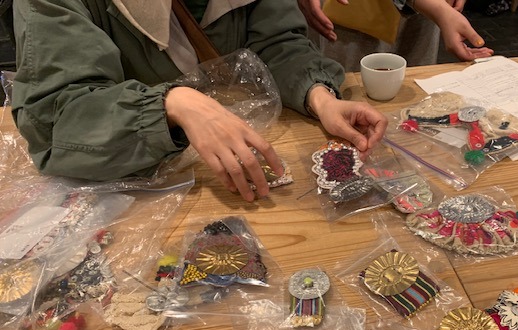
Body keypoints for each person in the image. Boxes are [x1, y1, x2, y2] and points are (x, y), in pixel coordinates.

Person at [11, 0, 388, 202]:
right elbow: (55, 120)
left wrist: (318, 96)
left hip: (224, 179)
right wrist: (171, 104)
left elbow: (276, 43)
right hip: (134, 188)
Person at [297, 0, 493, 71]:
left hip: (426, 15)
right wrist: (438, 9)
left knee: (415, 105)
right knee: (352, 99)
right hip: (356, 12)